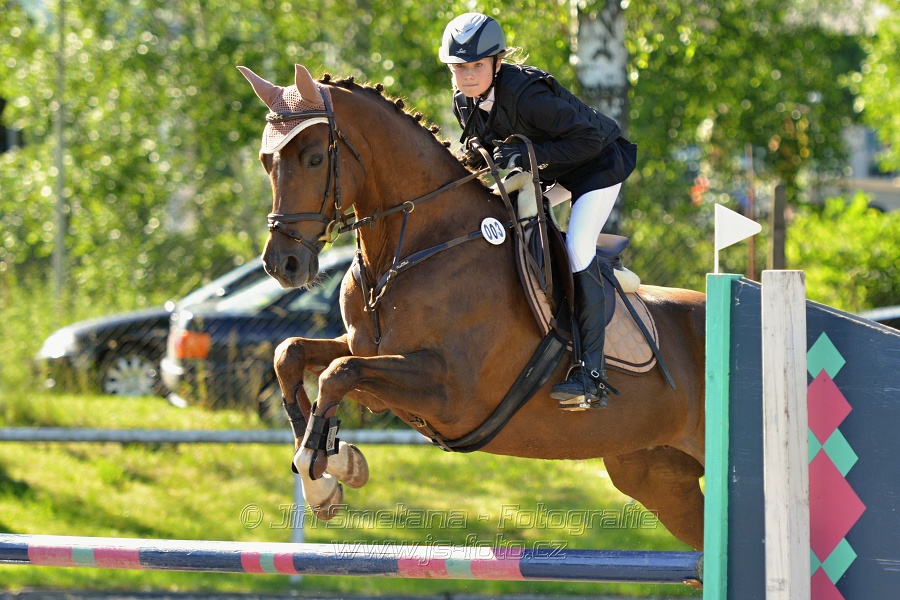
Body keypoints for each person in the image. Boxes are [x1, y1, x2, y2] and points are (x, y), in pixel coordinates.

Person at [439, 12, 637, 411]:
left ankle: (591, 374)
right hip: (555, 170)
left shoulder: (528, 95)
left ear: (497, 63)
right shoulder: (465, 102)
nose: (468, 76)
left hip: (599, 165)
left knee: (579, 247)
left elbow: (592, 137)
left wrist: (531, 154)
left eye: (477, 66)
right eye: (459, 67)